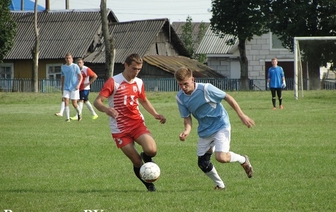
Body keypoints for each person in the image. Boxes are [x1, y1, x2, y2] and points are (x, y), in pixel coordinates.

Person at [93, 53, 166, 192]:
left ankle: (147, 156)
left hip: (137, 124)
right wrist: (106, 109)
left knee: (151, 150)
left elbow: (143, 100)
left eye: (139, 69)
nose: (136, 72)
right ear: (125, 65)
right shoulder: (113, 82)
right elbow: (97, 102)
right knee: (137, 161)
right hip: (120, 130)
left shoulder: (139, 82)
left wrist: (155, 114)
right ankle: (149, 184)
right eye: (133, 68)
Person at [174, 67, 254, 190]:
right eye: (180, 85)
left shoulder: (206, 89)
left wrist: (241, 115)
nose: (183, 87)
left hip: (220, 125)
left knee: (221, 158)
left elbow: (227, 97)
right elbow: (187, 118)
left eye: (186, 84)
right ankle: (220, 185)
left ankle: (243, 159)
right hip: (205, 130)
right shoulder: (180, 98)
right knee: (203, 163)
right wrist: (187, 131)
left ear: (192, 79)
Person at [61, 53, 83, 122]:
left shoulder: (75, 66)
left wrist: (78, 85)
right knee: (66, 101)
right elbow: (62, 77)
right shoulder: (63, 67)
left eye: (69, 58)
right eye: (67, 58)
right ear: (65, 59)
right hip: (66, 87)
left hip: (74, 87)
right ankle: (67, 118)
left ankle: (79, 113)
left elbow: (81, 76)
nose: (68, 59)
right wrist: (62, 86)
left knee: (74, 103)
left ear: (72, 59)